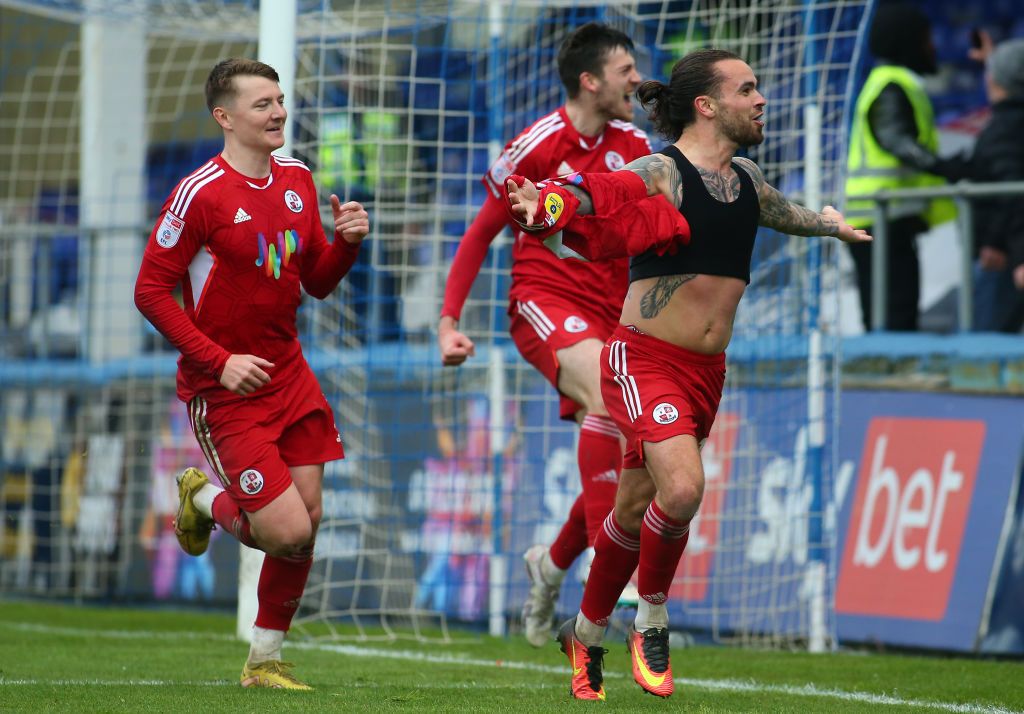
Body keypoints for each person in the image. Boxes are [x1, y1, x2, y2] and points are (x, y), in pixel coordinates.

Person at [505, 48, 870, 700]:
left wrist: (830, 225)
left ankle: (584, 636)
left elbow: (789, 214)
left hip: (707, 372)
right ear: (707, 105)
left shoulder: (749, 180)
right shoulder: (664, 170)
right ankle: (651, 618)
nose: (761, 100)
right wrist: (552, 203)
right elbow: (600, 191)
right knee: (682, 490)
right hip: (643, 359)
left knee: (634, 502)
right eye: (747, 89)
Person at [134, 58, 369, 690]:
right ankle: (203, 499)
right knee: (285, 530)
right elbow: (150, 292)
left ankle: (264, 663)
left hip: (288, 372)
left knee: (309, 519)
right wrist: (218, 360)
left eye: (281, 100)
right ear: (225, 117)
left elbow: (315, 281)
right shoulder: (198, 195)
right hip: (223, 388)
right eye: (262, 104)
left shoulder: (297, 178)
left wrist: (345, 242)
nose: (278, 113)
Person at [436, 22, 651, 648]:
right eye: (625, 70)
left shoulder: (635, 144)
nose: (635, 79)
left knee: (627, 428)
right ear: (590, 81)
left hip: (614, 312)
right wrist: (449, 322)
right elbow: (480, 234)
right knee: (614, 399)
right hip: (544, 299)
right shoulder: (539, 143)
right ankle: (617, 585)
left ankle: (550, 565)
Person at [844, 3, 956, 331]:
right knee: (893, 315)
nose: (932, 47)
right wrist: (947, 167)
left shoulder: (893, 81)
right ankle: (885, 378)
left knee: (892, 312)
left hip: (887, 218)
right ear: (906, 41)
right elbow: (896, 139)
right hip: (879, 218)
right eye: (925, 39)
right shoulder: (891, 84)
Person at [921, 35, 1024, 332]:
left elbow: (1012, 193)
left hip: (998, 258)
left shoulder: (1006, 128)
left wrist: (999, 244)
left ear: (997, 80)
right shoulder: (1008, 121)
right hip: (1004, 252)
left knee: (982, 341)